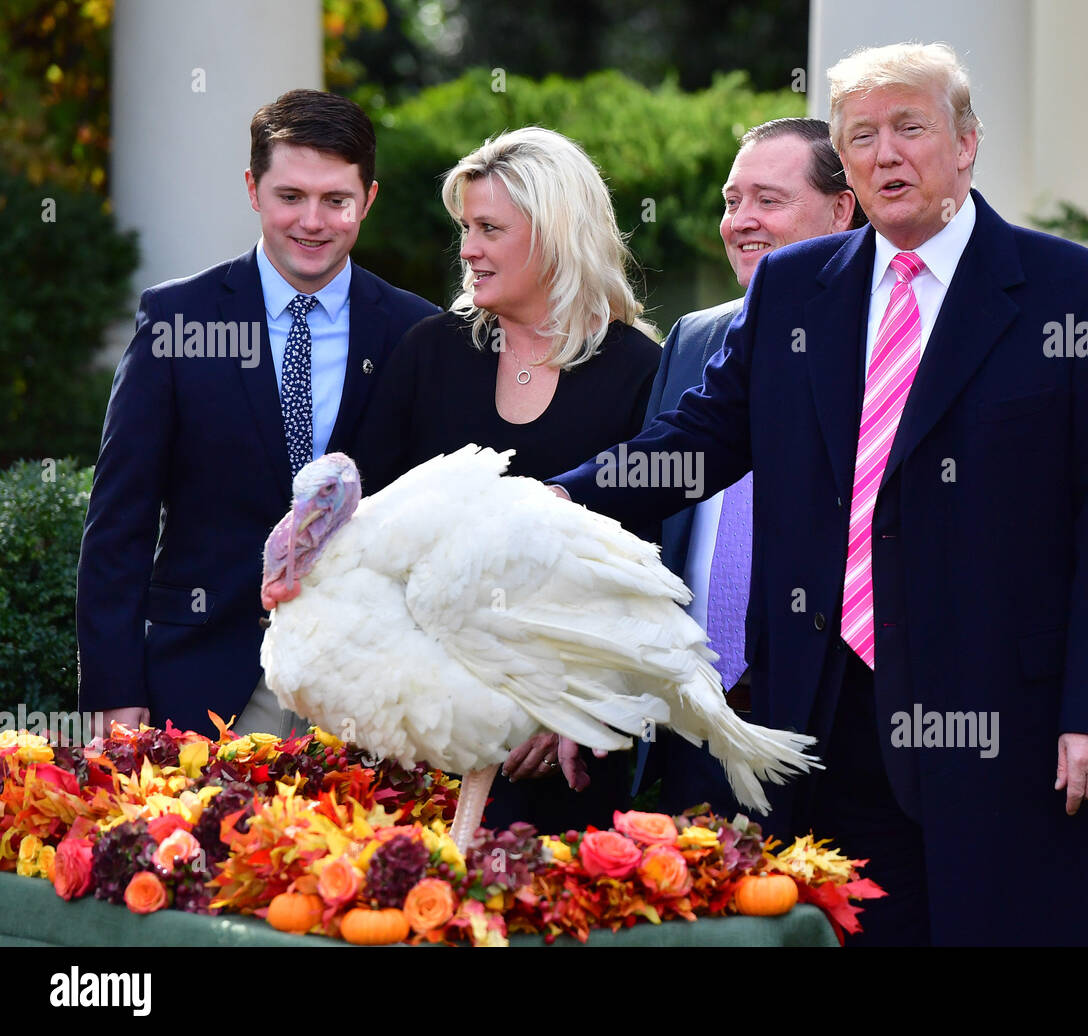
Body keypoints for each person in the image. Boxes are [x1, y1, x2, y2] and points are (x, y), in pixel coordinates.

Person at [550, 42, 1088, 946]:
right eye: (861, 136)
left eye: (910, 128)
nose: (885, 154)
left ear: (966, 143)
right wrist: (549, 505)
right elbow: (702, 440)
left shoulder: (1076, 291)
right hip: (820, 719)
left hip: (1001, 728)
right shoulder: (796, 290)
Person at [77, 89, 440, 740]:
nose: (312, 220)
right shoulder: (177, 321)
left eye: (337, 199)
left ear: (369, 199)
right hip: (201, 688)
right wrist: (114, 690)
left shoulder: (419, 334)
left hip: (369, 697)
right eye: (290, 196)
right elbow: (118, 523)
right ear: (253, 189)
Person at [351, 126, 662, 834]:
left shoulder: (641, 373)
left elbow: (647, 576)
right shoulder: (430, 352)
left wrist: (568, 704)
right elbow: (365, 538)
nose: (466, 250)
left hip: (561, 752)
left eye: (489, 228)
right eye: (466, 227)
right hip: (415, 739)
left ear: (555, 234)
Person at [637, 117, 863, 815]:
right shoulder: (694, 338)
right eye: (733, 202)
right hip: (687, 728)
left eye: (768, 200)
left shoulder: (885, 347)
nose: (741, 222)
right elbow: (656, 525)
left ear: (841, 209)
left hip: (826, 735)